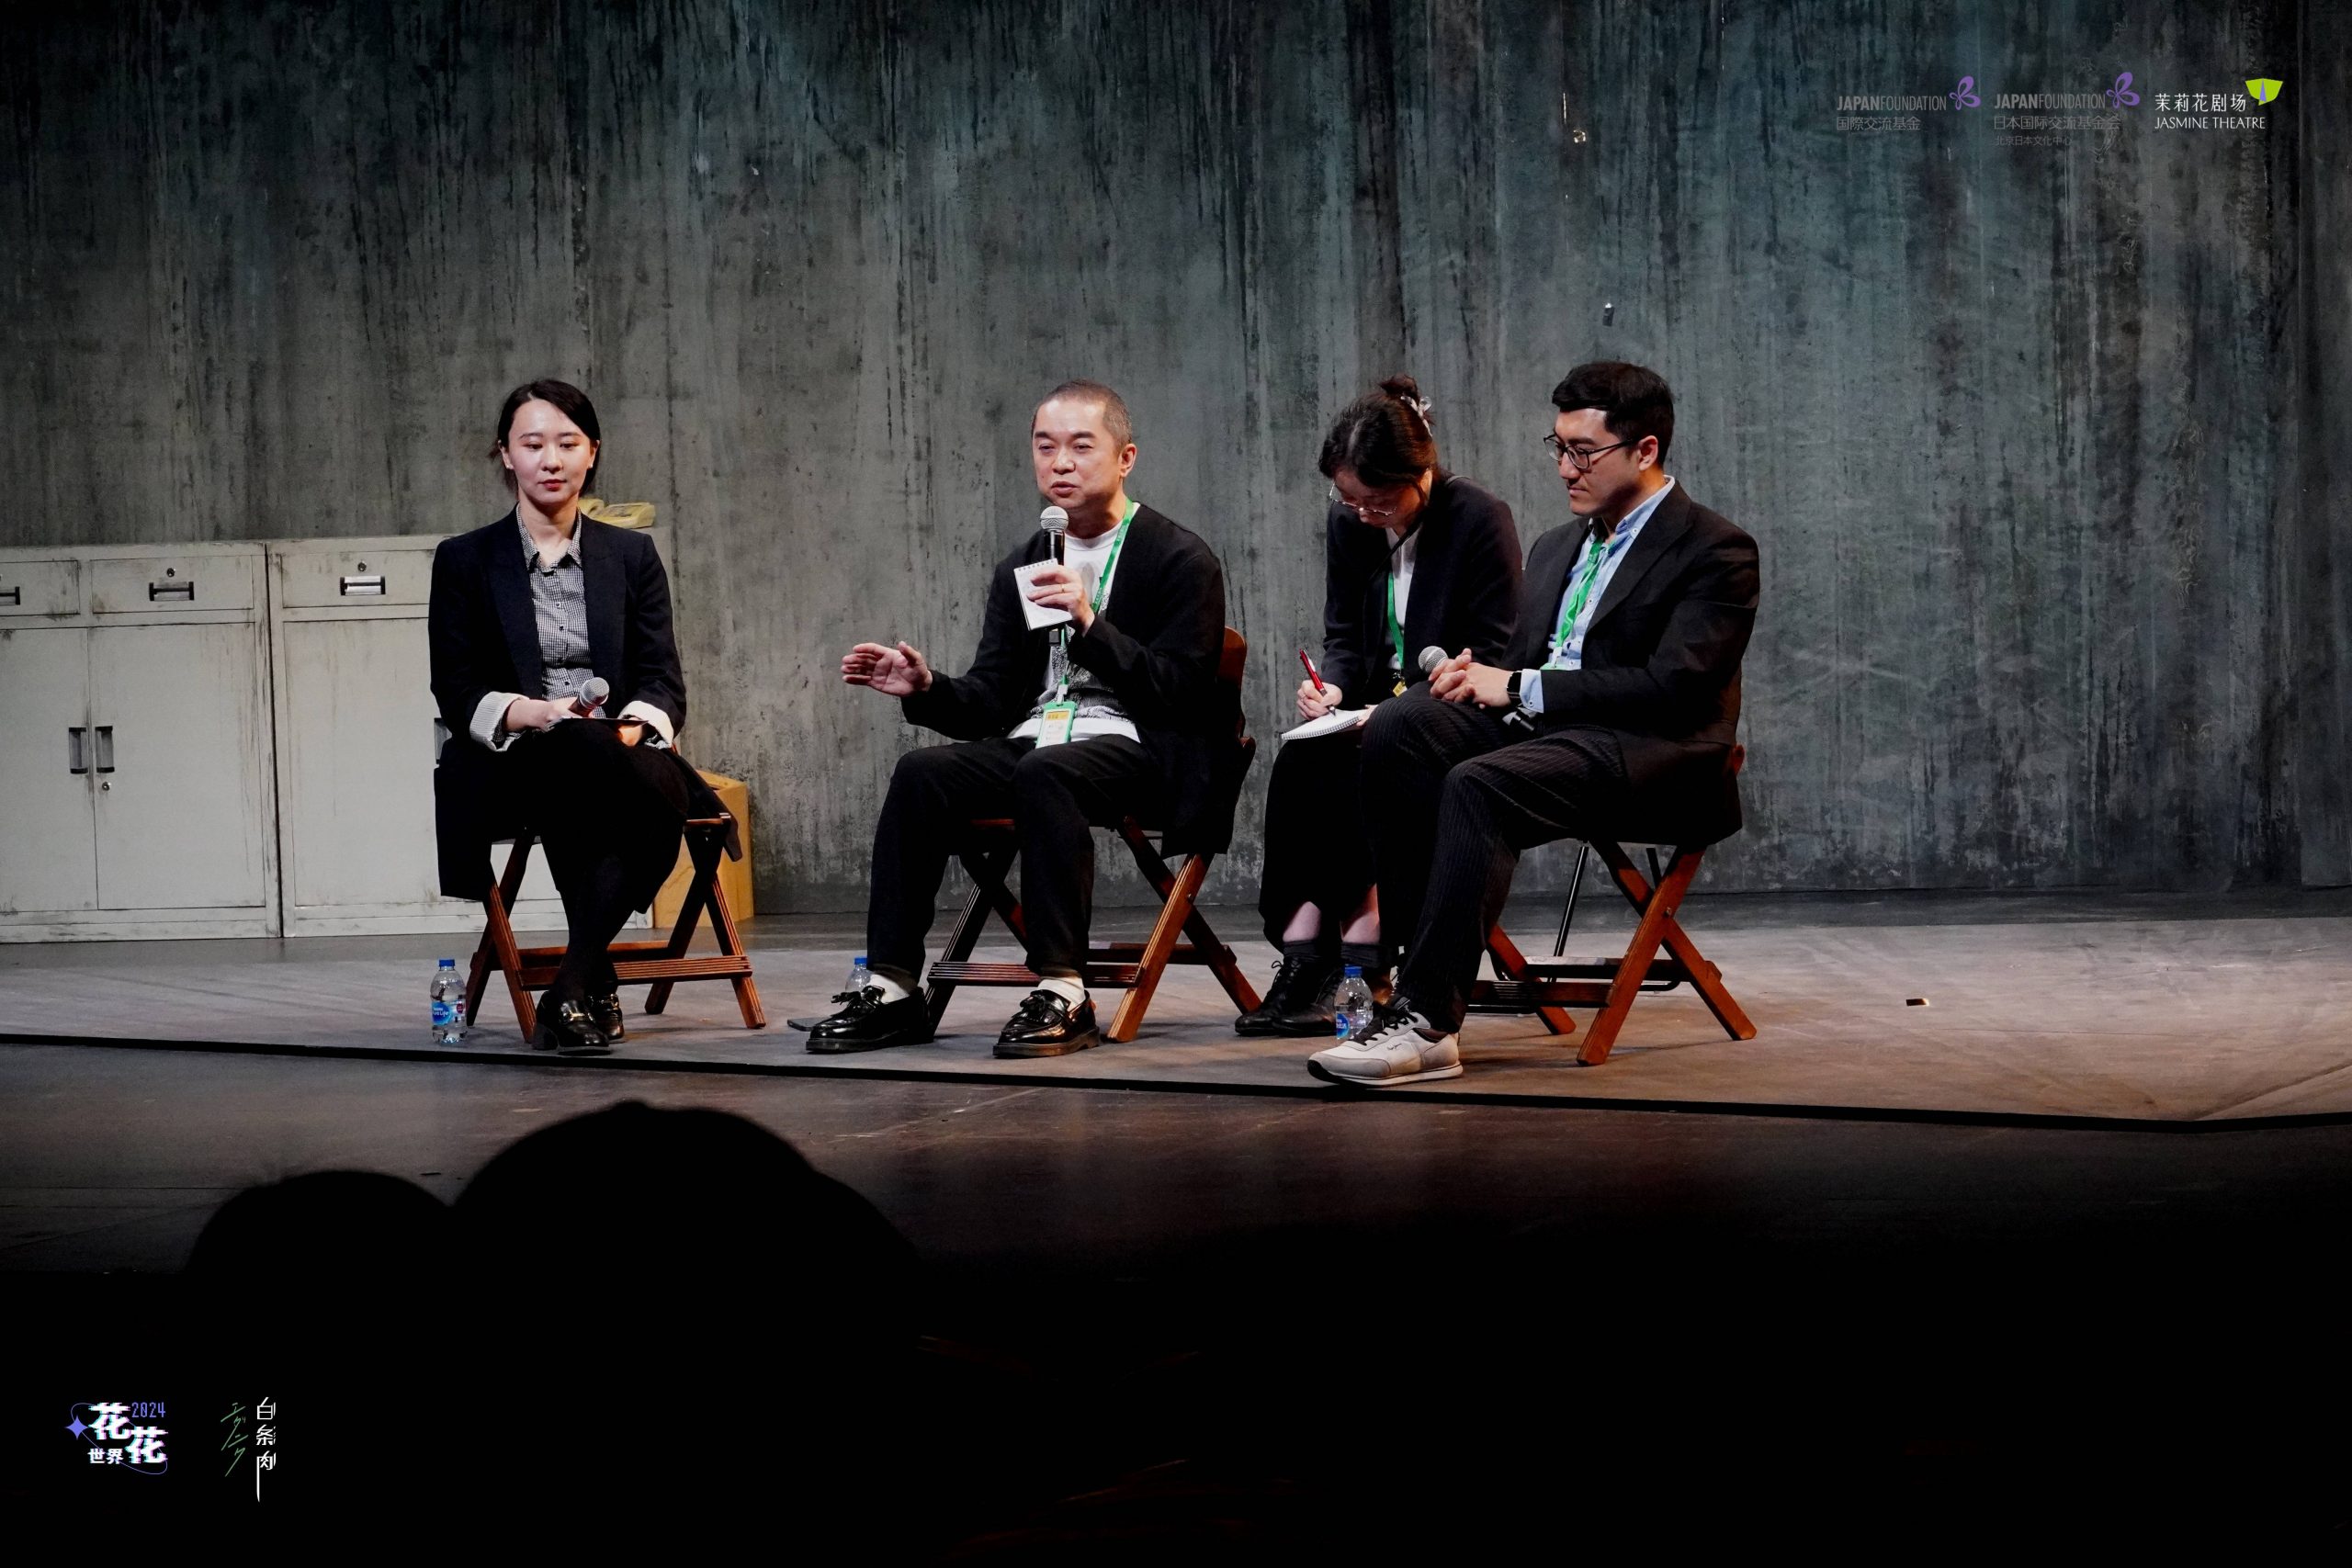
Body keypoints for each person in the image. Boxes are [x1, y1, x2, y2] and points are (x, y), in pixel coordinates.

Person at [1308, 361, 1758, 1086]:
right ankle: (1403, 974)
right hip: (1548, 736)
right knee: (1399, 725)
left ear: (1645, 450)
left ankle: (1429, 1024)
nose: (1564, 468)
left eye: (1583, 452)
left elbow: (1674, 690)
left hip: (1652, 750)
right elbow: (1520, 668)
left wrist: (1518, 683)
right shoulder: (1558, 545)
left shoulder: (1715, 549)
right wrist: (1473, 679)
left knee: (1480, 783)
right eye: (1557, 447)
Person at [807, 380, 1238, 1058]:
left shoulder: (1178, 558)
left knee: (1047, 772)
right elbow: (993, 699)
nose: (1060, 463)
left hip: (1143, 746)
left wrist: (1091, 624)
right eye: (1045, 447)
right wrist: (926, 687)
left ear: (1125, 458)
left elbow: (1180, 694)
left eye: (1080, 446)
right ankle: (892, 986)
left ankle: (1064, 989)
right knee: (921, 774)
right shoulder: (1029, 561)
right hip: (1042, 742)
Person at [429, 379, 718, 1056]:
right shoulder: (465, 559)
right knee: (591, 768)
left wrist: (629, 727)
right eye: (533, 444)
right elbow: (456, 686)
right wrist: (532, 712)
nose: (551, 459)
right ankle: (591, 981)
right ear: (507, 455)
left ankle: (570, 987)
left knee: (639, 779)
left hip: (616, 750)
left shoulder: (631, 556)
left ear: (593, 452)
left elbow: (661, 677)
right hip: (513, 756)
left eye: (567, 443)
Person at [1236, 375, 1521, 1036]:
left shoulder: (1478, 517)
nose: (1364, 514)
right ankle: (1307, 952)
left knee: (1376, 748)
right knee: (1304, 757)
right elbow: (1342, 635)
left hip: (1454, 703)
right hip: (1374, 705)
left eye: (1379, 501)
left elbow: (1497, 647)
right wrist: (1332, 689)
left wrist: (1394, 706)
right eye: (1351, 500)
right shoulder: (1350, 524)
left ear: (1421, 474)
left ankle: (1363, 950)